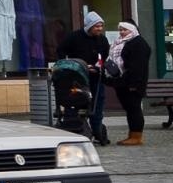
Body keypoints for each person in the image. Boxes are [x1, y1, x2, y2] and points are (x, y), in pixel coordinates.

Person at [58, 11, 112, 146]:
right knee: (79, 104)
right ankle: (81, 129)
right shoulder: (74, 37)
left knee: (97, 105)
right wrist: (75, 65)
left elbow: (105, 57)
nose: (99, 29)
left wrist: (100, 66)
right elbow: (61, 51)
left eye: (101, 26)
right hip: (77, 78)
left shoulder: (102, 39)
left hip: (96, 77)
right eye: (96, 26)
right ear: (89, 26)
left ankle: (97, 131)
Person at [107, 20, 151, 146]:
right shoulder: (124, 42)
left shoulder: (138, 43)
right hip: (124, 82)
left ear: (132, 30)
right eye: (120, 29)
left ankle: (136, 136)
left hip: (133, 84)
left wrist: (134, 84)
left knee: (134, 109)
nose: (121, 32)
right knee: (130, 109)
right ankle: (132, 134)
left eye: (124, 29)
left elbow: (138, 67)